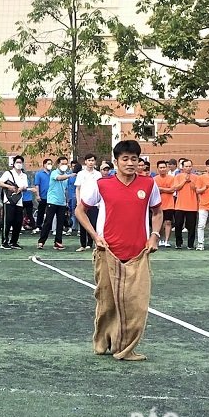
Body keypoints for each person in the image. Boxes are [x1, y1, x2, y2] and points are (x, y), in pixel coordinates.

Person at [75, 139, 162, 362]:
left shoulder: (148, 185)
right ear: (116, 162)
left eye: (135, 159)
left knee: (137, 304)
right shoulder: (102, 185)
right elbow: (80, 211)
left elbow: (157, 212)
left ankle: (126, 348)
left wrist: (154, 236)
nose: (130, 163)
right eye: (125, 159)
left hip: (138, 254)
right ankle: (104, 341)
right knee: (107, 301)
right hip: (108, 253)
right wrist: (95, 237)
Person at [37, 156, 74, 250]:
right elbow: (59, 178)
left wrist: (66, 201)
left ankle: (58, 242)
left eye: (66, 164)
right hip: (52, 201)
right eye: (62, 164)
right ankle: (41, 241)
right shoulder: (54, 173)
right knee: (48, 221)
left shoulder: (66, 175)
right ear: (58, 164)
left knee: (60, 223)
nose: (64, 166)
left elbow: (65, 189)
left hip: (61, 202)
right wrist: (70, 175)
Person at [0, 155, 30, 249]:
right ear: (14, 163)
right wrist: (9, 187)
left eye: (21, 162)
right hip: (9, 201)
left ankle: (14, 241)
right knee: (8, 221)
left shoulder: (24, 175)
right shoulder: (8, 173)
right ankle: (4, 242)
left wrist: (22, 188)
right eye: (17, 162)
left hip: (19, 201)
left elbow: (25, 187)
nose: (19, 164)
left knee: (18, 222)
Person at [74, 154, 102, 251]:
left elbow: (100, 189)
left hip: (94, 203)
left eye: (92, 160)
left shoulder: (98, 174)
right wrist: (78, 201)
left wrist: (99, 203)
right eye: (89, 160)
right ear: (85, 162)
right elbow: (78, 188)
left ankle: (91, 243)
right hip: (83, 203)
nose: (91, 162)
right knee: (82, 224)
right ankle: (83, 244)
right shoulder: (81, 174)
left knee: (93, 223)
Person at [171, 159, 198, 249]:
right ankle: (178, 243)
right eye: (186, 166)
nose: (188, 168)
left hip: (192, 205)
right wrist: (184, 181)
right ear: (182, 167)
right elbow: (176, 188)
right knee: (178, 225)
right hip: (180, 205)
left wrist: (190, 181)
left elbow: (196, 189)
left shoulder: (196, 177)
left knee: (191, 226)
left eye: (190, 166)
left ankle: (190, 244)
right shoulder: (178, 176)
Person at [154, 160, 176, 247]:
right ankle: (160, 239)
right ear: (158, 169)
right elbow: (155, 191)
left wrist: (161, 189)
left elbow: (172, 190)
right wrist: (166, 189)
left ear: (166, 168)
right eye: (161, 168)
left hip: (169, 204)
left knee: (168, 222)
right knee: (159, 223)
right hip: (158, 204)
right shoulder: (154, 179)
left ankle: (166, 240)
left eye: (164, 167)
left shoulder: (171, 178)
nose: (162, 169)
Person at [34, 159, 53, 231]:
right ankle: (38, 225)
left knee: (50, 212)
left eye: (51, 163)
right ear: (44, 165)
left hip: (51, 197)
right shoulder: (39, 174)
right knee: (41, 211)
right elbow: (37, 185)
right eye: (48, 163)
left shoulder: (53, 174)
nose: (50, 165)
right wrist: (37, 195)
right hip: (43, 196)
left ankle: (49, 226)